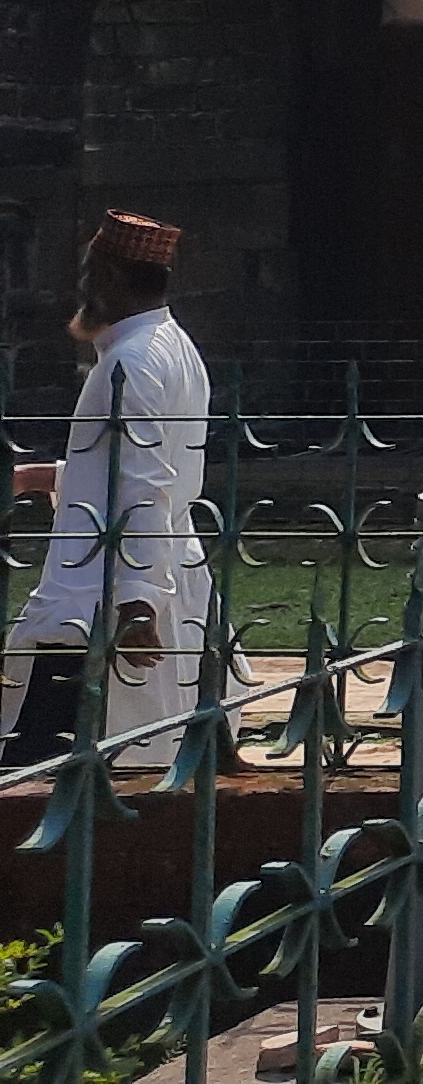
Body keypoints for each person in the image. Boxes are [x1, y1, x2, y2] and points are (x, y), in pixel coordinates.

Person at [1, 214, 213, 771]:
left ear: (114, 276)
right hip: (139, 571)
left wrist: (139, 602)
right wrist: (40, 478)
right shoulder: (170, 344)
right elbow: (121, 468)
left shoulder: (133, 361)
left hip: (108, 588)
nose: (84, 288)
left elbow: (146, 481)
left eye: (90, 273)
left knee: (61, 764)